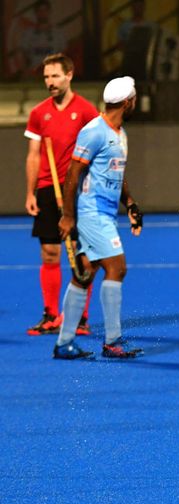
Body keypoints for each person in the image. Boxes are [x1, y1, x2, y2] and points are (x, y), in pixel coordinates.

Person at [53, 76, 144, 360]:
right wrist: (68, 216)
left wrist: (130, 203)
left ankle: (64, 343)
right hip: (91, 212)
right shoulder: (94, 131)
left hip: (106, 213)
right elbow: (72, 174)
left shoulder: (121, 133)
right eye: (134, 99)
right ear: (127, 102)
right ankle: (112, 342)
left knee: (85, 273)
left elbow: (117, 173)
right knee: (117, 267)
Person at [24, 53, 98, 336]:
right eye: (46, 77)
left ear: (69, 75)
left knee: (82, 256)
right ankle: (50, 315)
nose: (50, 82)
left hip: (77, 191)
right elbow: (33, 156)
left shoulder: (87, 111)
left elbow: (98, 151)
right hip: (46, 189)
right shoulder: (38, 113)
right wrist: (30, 192)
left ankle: (80, 318)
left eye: (55, 76)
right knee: (50, 252)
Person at [16, 0, 67, 78]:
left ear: (49, 12)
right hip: (33, 73)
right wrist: (25, 71)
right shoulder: (28, 34)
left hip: (53, 74)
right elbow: (22, 54)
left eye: (45, 10)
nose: (42, 13)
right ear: (36, 13)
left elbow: (64, 54)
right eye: (40, 11)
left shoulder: (58, 33)